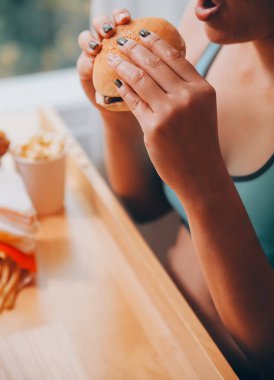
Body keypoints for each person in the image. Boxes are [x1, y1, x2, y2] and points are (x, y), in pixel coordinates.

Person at [77, 1, 274, 378]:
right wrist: (117, 115)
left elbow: (268, 354)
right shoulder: (202, 28)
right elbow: (145, 206)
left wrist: (204, 183)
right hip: (148, 330)